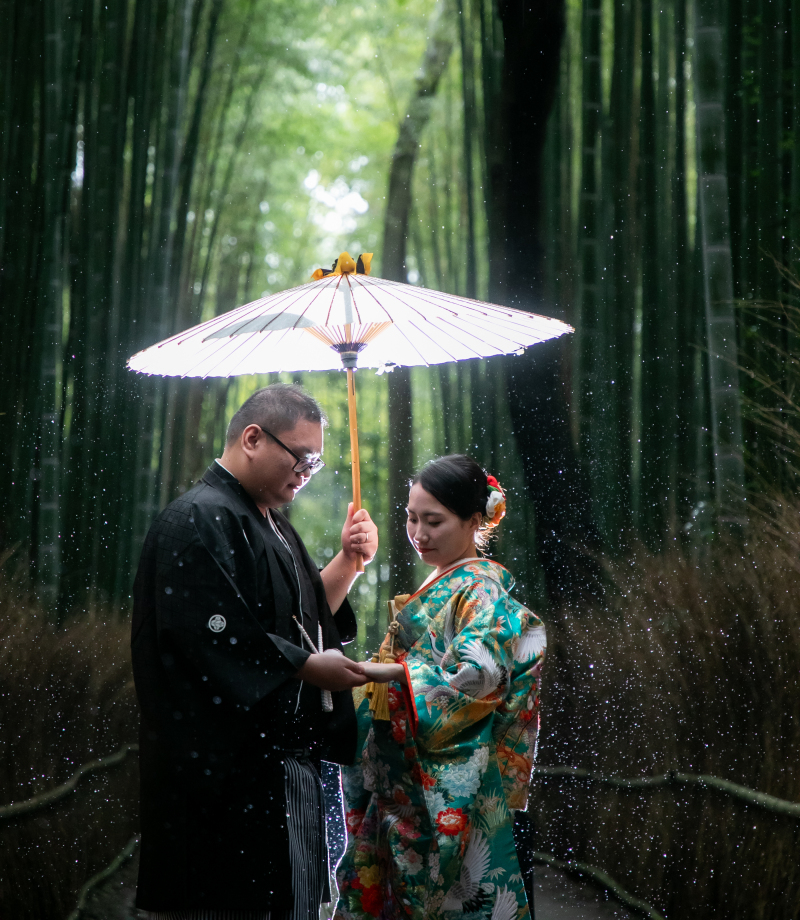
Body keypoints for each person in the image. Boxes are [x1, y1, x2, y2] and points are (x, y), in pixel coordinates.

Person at [132, 383, 379, 920]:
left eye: (316, 462)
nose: (307, 472)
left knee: (292, 905)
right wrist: (306, 666)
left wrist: (348, 562)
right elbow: (208, 638)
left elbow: (304, 621)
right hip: (225, 775)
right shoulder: (197, 518)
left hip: (283, 769)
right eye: (301, 457)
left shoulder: (271, 522)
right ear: (252, 438)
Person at [335, 454, 546, 920]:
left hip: (451, 777)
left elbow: (481, 675)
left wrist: (395, 673)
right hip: (405, 773)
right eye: (411, 518)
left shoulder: (481, 589)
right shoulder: (444, 582)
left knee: (446, 896)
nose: (419, 533)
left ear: (474, 521)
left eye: (434, 521)